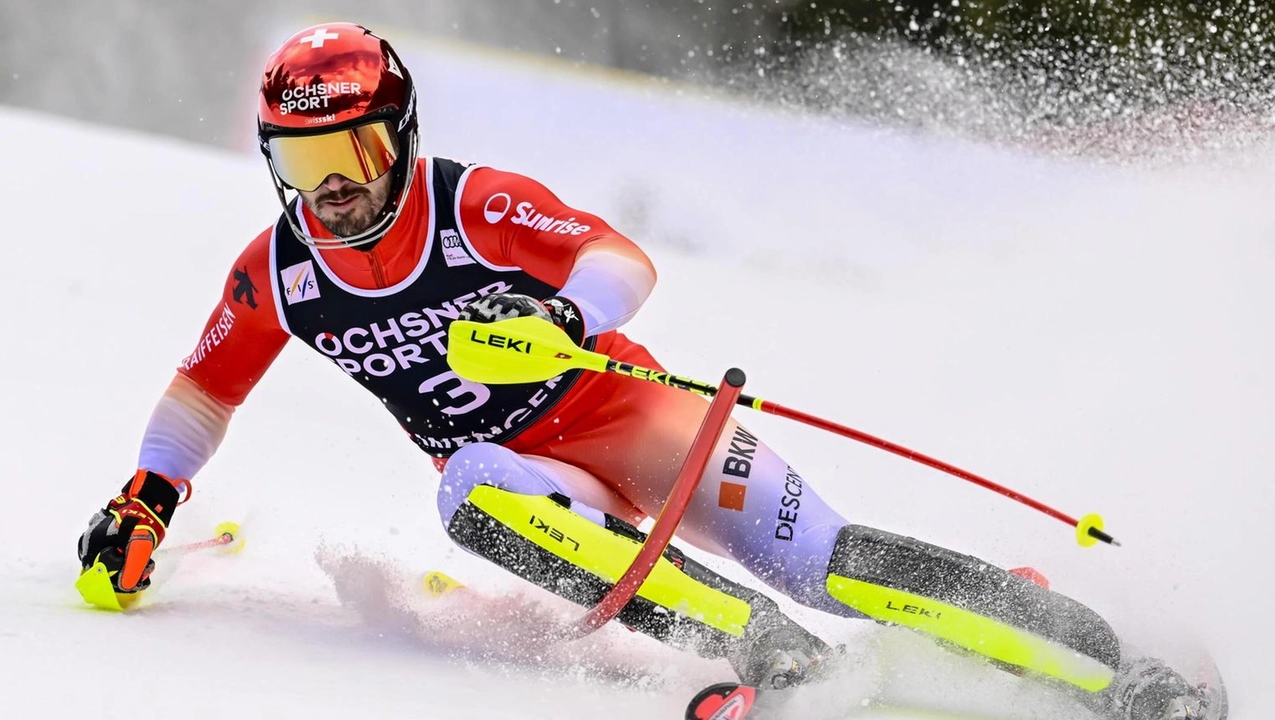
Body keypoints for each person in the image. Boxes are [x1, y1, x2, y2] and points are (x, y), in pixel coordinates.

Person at [75, 22, 1222, 720]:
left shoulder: (467, 204)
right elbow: (202, 392)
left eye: (356, 156)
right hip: (546, 490)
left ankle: (1115, 669)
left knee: (829, 564)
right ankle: (751, 643)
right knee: (469, 487)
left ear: (402, 140)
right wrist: (148, 497)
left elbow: (617, 259)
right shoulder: (278, 274)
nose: (333, 190)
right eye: (303, 163)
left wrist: (560, 316)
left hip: (638, 421)